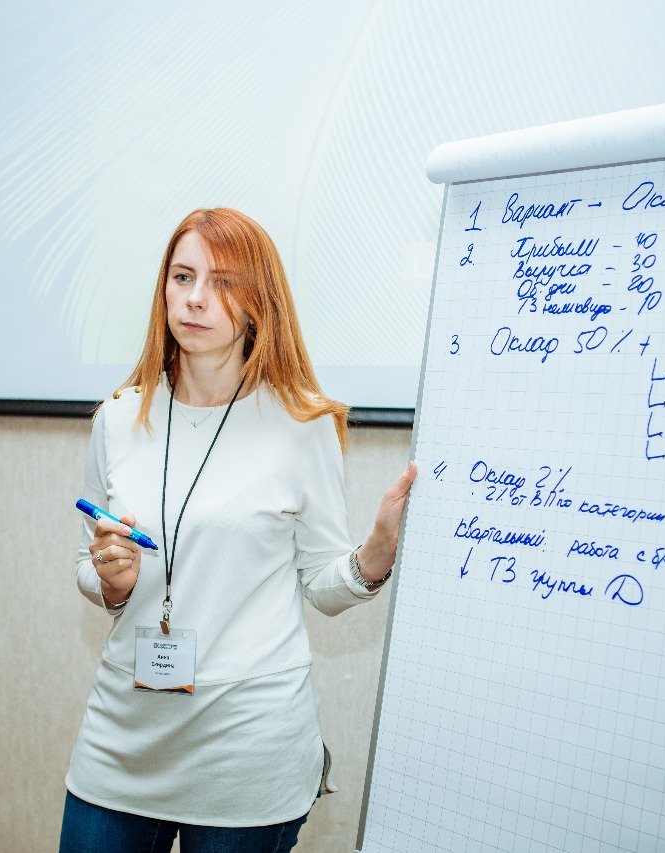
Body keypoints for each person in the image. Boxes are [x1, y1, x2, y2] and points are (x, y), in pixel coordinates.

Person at [59, 208, 416, 852]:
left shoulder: (303, 424)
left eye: (223, 282)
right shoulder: (118, 417)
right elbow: (90, 563)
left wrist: (376, 555)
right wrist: (109, 579)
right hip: (123, 739)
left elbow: (323, 584)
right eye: (183, 277)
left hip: (247, 749)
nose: (196, 299)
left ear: (258, 302)